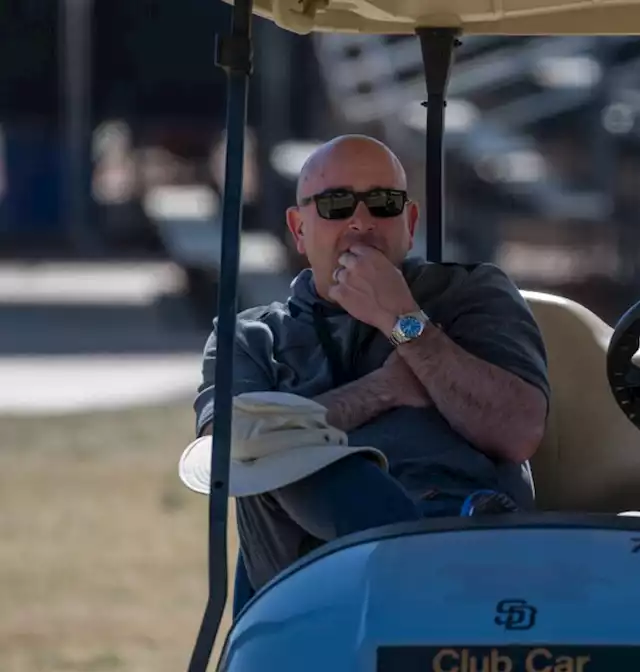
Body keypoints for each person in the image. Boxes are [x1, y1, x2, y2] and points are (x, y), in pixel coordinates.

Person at [185, 134, 551, 596]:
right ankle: (406, 567)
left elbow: (518, 433)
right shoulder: (253, 336)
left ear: (410, 220)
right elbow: (224, 449)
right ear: (298, 229)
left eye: (383, 203)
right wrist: (382, 390)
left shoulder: (469, 295)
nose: (362, 221)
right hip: (315, 573)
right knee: (273, 450)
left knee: (277, 434)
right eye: (336, 204)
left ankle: (414, 568)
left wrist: (405, 322)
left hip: (463, 539)